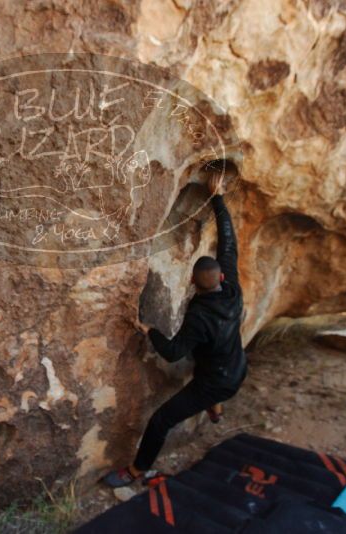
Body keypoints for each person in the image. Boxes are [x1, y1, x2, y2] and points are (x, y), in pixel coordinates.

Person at [103, 160, 248, 487]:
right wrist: (218, 198)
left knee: (160, 421)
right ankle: (215, 409)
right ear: (221, 277)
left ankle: (136, 471)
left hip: (217, 381)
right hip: (236, 367)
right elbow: (229, 243)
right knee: (208, 357)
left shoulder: (198, 317)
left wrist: (148, 330)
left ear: (195, 285)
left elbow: (172, 352)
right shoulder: (232, 289)